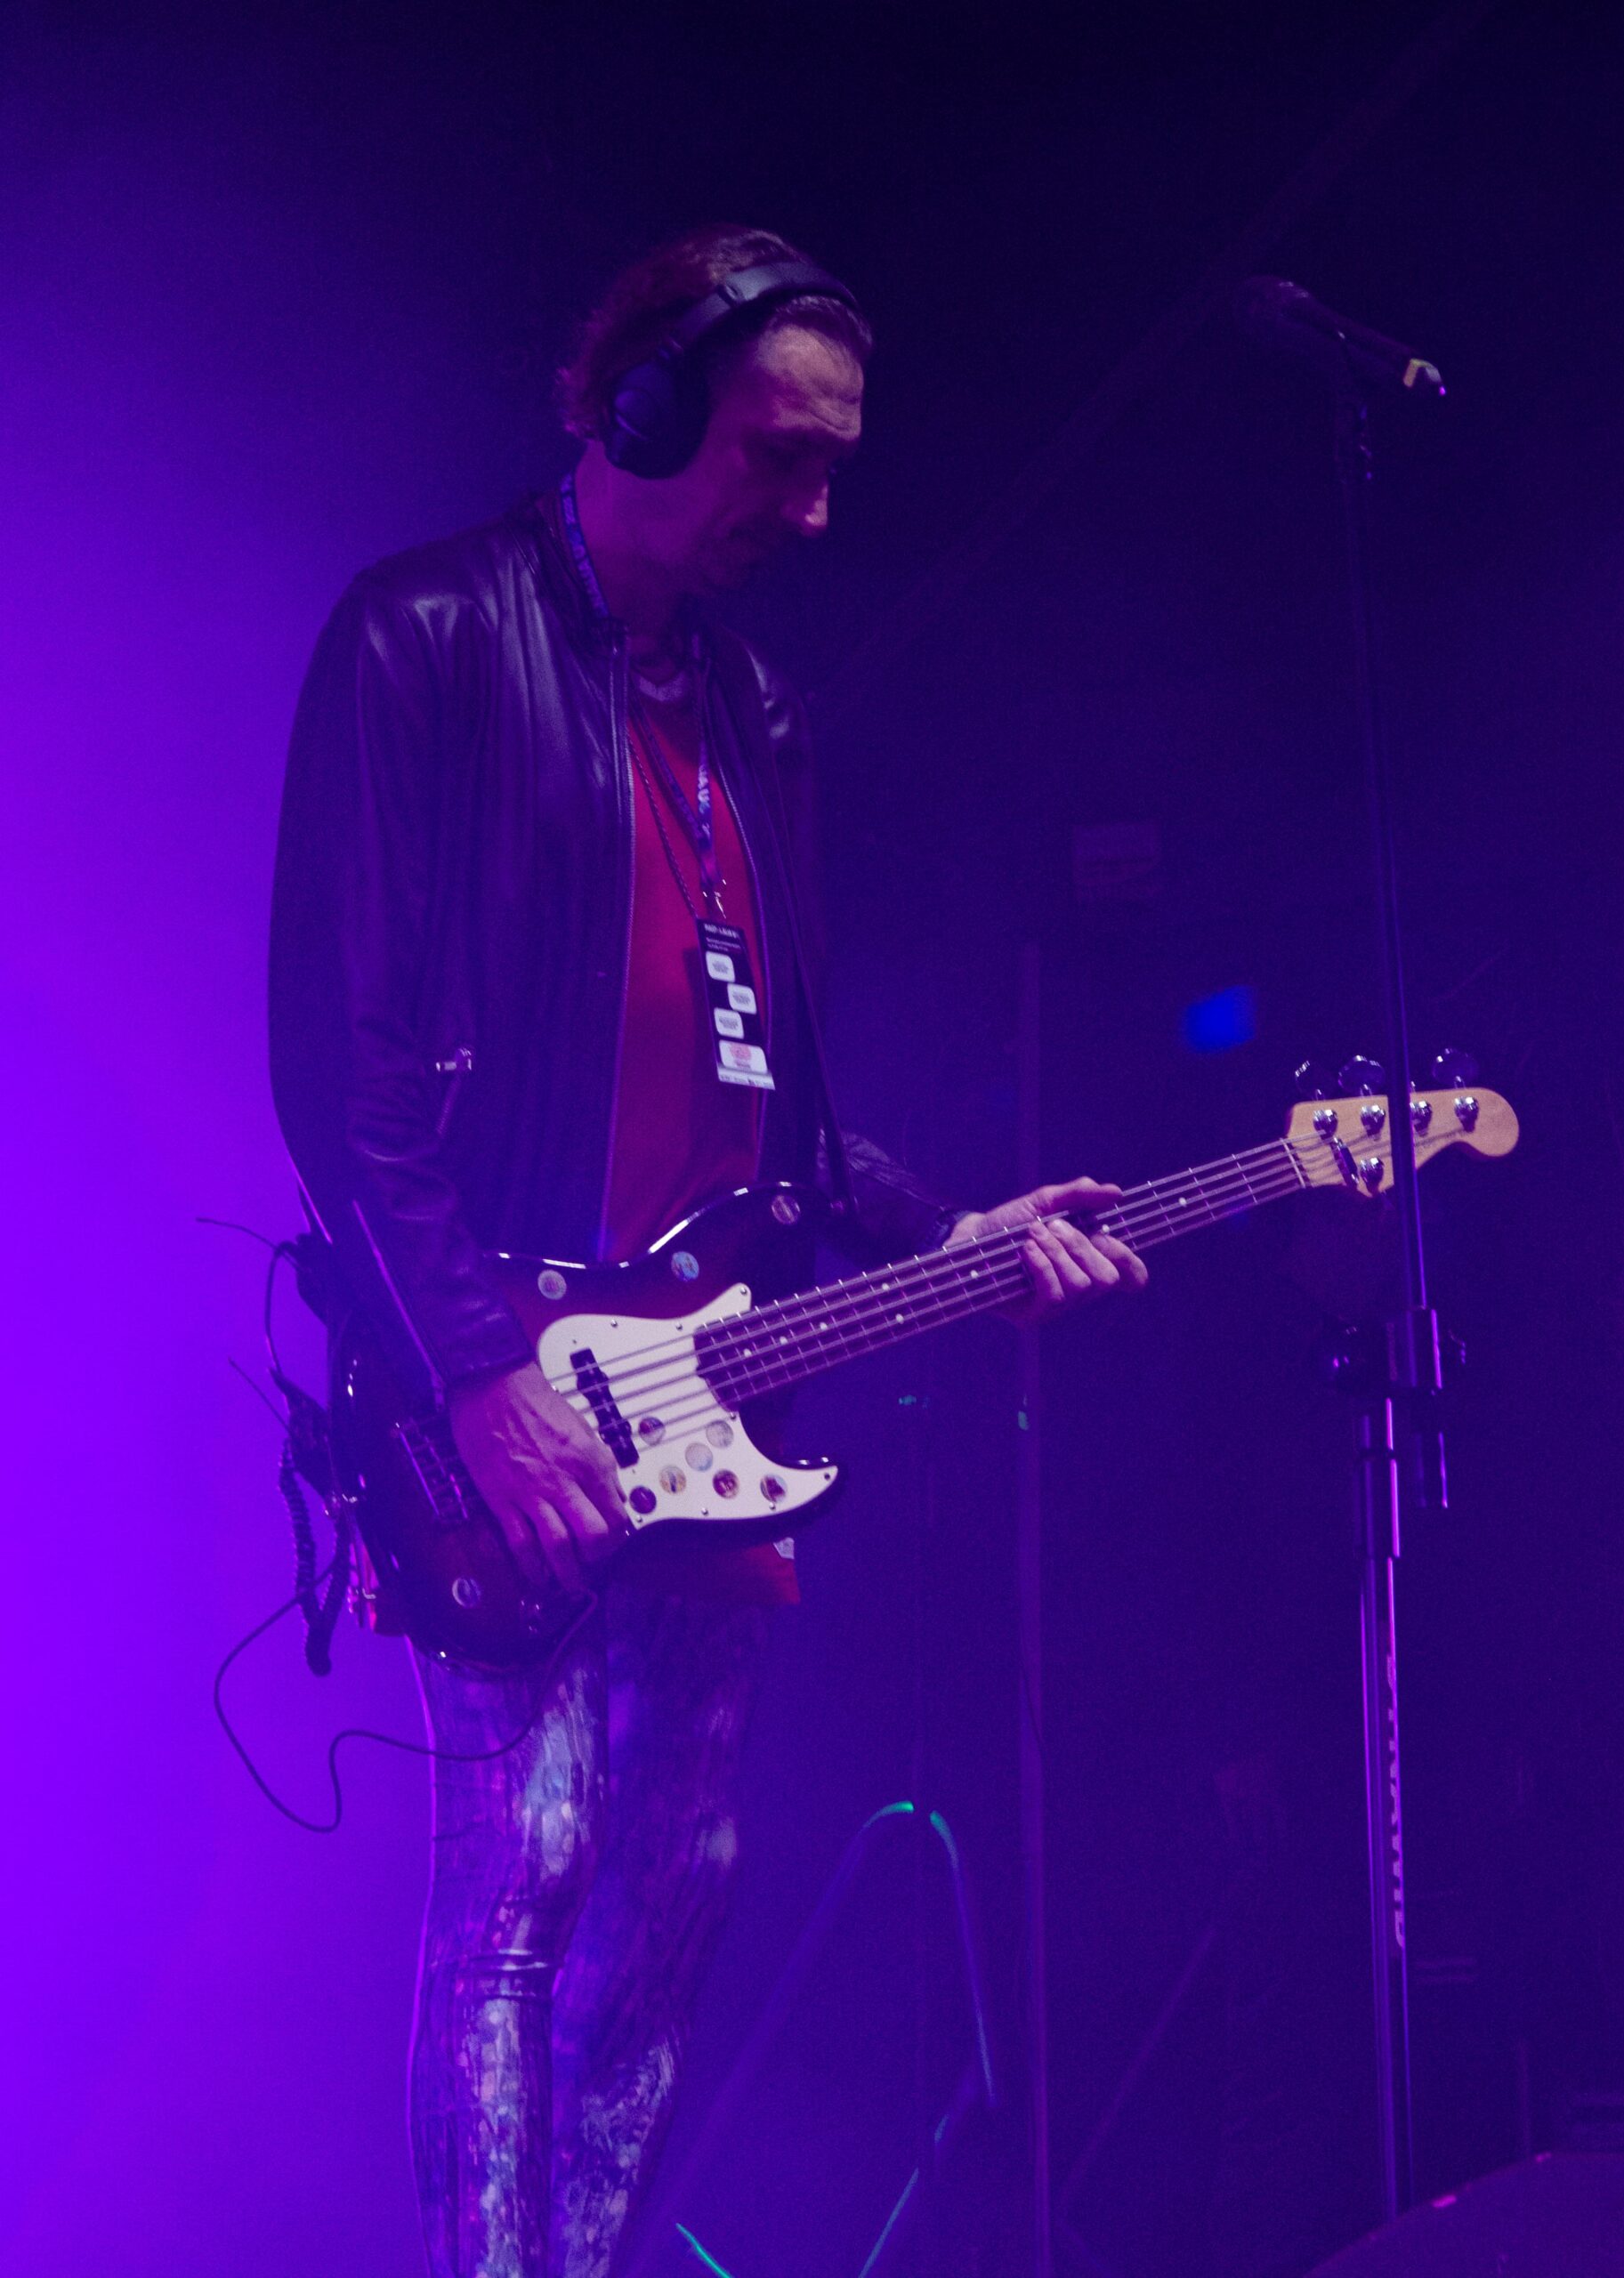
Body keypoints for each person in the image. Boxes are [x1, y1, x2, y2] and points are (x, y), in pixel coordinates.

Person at [268, 222, 1145, 2277]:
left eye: (834, 466)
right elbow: (339, 1063)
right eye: (775, 455)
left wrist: (956, 1230)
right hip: (497, 1373)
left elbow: (786, 1107)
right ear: (638, 406)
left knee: (675, 1891)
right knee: (527, 1864)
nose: (811, 513)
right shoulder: (427, 635)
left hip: (713, 1382)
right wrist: (478, 1372)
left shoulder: (755, 709)